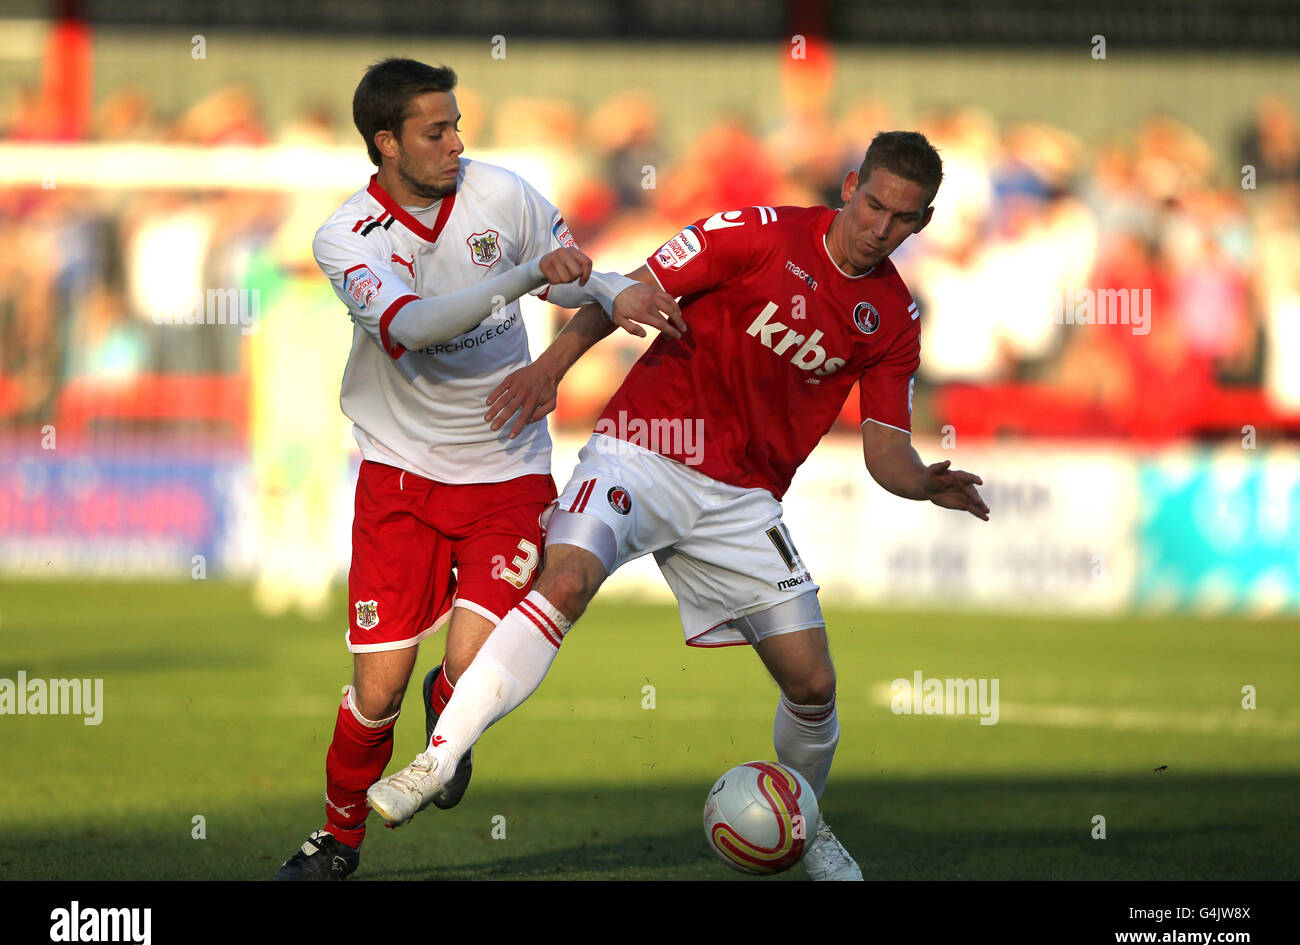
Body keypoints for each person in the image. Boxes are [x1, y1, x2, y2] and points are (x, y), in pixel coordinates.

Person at [368, 130, 989, 881]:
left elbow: (886, 448)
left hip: (742, 500)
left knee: (814, 683)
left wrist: (922, 480)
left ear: (922, 224)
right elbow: (626, 294)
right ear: (851, 185)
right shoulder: (755, 235)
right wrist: (549, 370)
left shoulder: (893, 317)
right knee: (562, 583)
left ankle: (803, 816)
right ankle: (436, 760)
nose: (879, 227)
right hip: (644, 448)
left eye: (901, 218)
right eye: (873, 204)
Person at [274, 58, 682, 880]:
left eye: (459, 124)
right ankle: (337, 838)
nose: (458, 142)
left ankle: (448, 709)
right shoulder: (346, 236)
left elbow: (577, 278)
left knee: (473, 672)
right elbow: (419, 326)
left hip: (508, 471)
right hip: (400, 478)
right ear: (386, 143)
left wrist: (605, 302)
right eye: (437, 130)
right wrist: (528, 275)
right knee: (376, 696)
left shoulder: (504, 195)